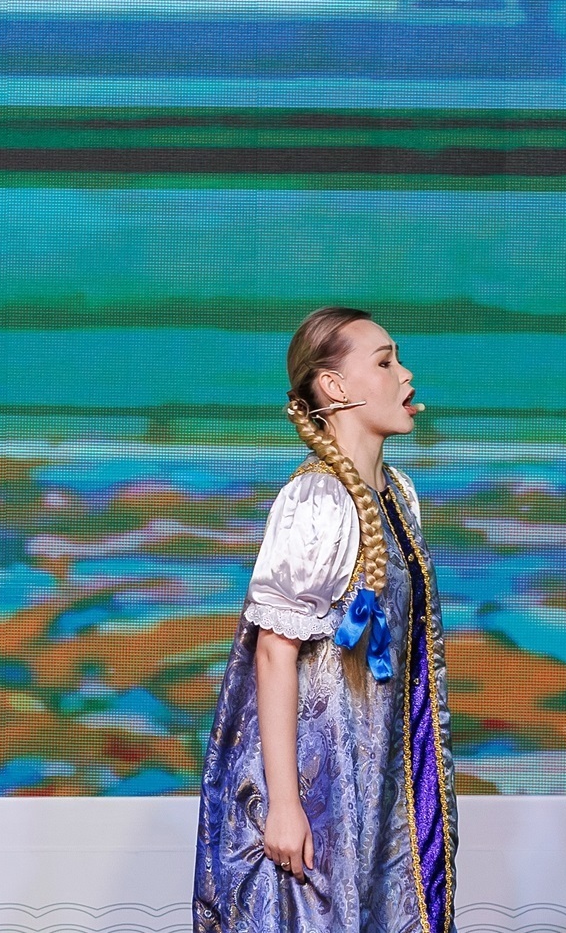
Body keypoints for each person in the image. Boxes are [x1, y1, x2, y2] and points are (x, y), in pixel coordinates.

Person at [194, 307, 456, 933]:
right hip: (322, 784)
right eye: (385, 362)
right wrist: (284, 805)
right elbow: (273, 652)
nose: (405, 374)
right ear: (335, 387)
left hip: (382, 773)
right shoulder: (317, 501)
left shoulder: (397, 494)